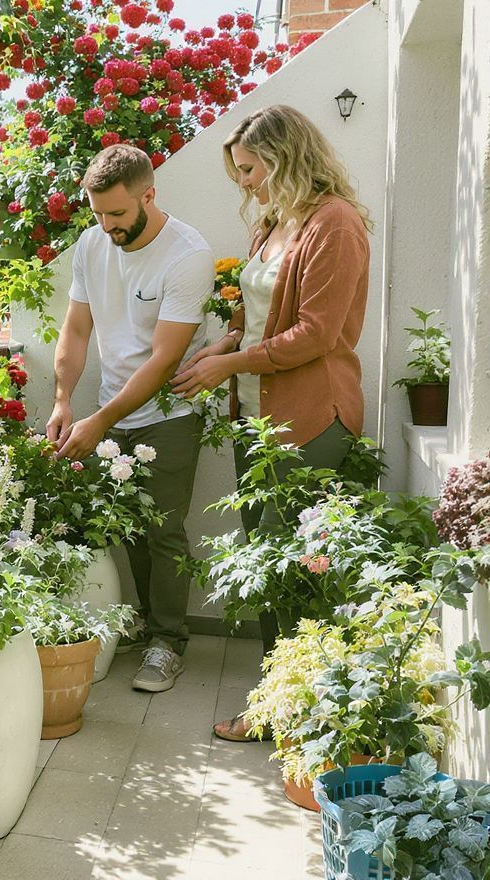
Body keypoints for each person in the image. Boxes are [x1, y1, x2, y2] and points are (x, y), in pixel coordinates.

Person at [169, 104, 373, 741]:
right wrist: (224, 343)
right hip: (260, 417)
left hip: (312, 414)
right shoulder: (274, 223)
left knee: (299, 570)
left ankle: (301, 715)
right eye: (239, 172)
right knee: (268, 563)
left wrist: (231, 364)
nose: (246, 184)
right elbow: (254, 312)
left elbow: (317, 333)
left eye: (252, 170)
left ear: (286, 159)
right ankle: (283, 703)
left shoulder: (333, 224)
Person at [49, 144, 214, 693]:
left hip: (170, 409)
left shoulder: (186, 255)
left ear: (149, 195)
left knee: (163, 528)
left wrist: (99, 419)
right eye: (97, 214)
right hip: (111, 405)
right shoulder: (92, 245)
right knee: (125, 529)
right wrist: (64, 400)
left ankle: (168, 642)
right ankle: (143, 622)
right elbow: (75, 331)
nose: (107, 225)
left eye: (117, 214)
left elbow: (165, 359)